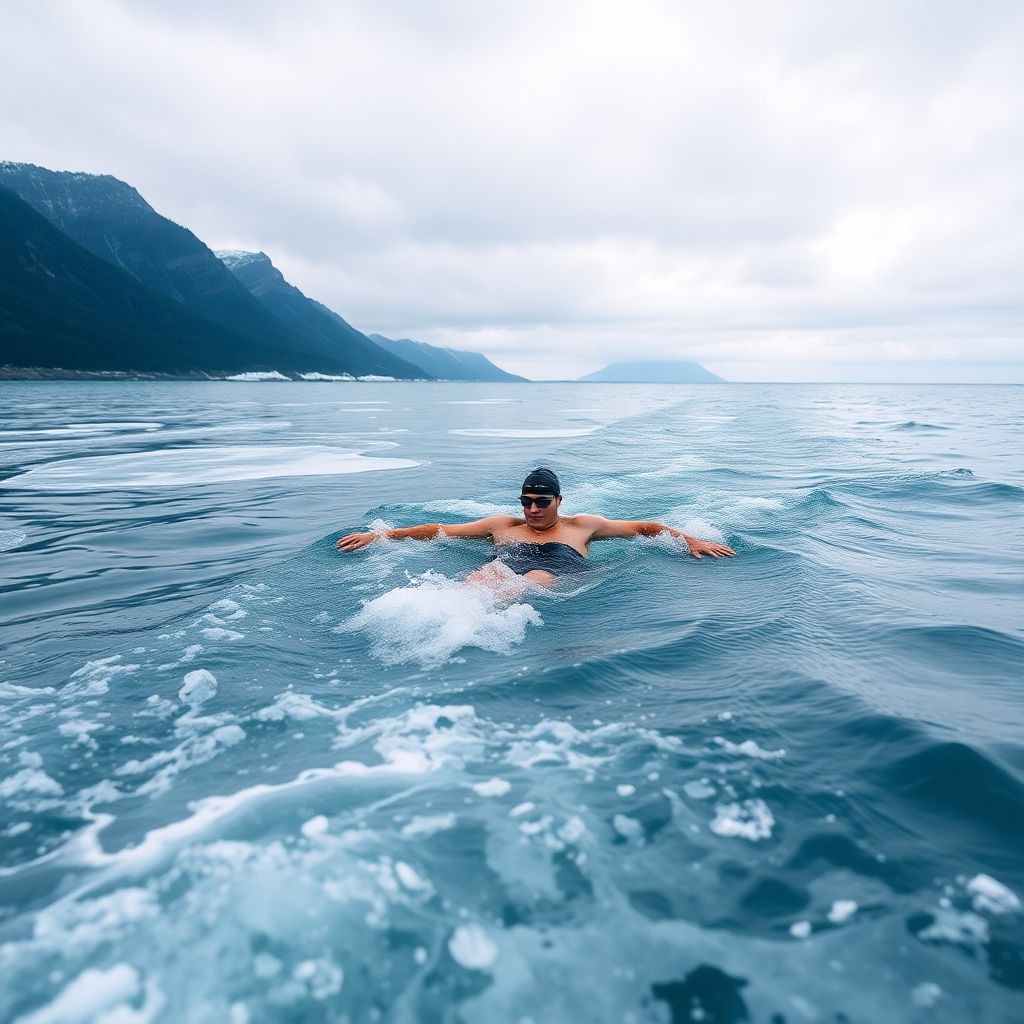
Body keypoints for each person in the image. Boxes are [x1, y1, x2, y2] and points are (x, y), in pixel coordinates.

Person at [335, 467, 736, 592]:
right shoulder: (501, 525)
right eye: (525, 501)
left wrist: (691, 540)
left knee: (532, 581)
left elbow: (646, 527)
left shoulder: (584, 526)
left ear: (559, 501)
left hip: (556, 569)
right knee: (479, 578)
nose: (532, 509)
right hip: (505, 564)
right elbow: (441, 530)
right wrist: (380, 535)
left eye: (541, 502)